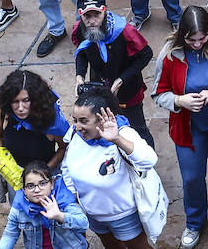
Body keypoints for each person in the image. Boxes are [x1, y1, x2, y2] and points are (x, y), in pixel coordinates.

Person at [153, 6, 208, 248]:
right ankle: (194, 221)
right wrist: (180, 101)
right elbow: (158, 94)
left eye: (203, 38)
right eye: (192, 39)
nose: (198, 44)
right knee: (191, 177)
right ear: (183, 35)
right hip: (188, 128)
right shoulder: (170, 54)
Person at [63, 86, 159, 249]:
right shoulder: (75, 135)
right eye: (75, 120)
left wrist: (117, 140)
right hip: (94, 214)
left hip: (124, 215)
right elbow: (66, 166)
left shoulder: (123, 134)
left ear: (101, 118)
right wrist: (73, 194)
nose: (78, 127)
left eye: (84, 121)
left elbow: (150, 160)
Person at [71, 0, 156, 146]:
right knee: (103, 125)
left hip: (127, 88)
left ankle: (147, 162)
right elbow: (82, 52)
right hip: (100, 88)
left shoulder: (124, 31)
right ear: (80, 15)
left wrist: (121, 80)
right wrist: (79, 75)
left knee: (137, 127)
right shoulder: (80, 29)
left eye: (97, 14)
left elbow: (146, 54)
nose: (92, 21)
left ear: (105, 11)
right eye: (87, 16)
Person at [0, 70, 72, 196]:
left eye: (26, 100)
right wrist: (4, 161)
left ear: (36, 99)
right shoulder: (5, 111)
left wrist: (44, 173)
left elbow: (64, 148)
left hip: (44, 179)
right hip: (15, 175)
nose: (20, 108)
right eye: (15, 101)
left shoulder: (51, 120)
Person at [0, 160, 91, 249]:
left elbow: (84, 224)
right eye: (30, 186)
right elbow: (10, 235)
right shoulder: (19, 208)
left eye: (42, 183)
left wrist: (60, 216)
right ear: (24, 190)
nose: (37, 190)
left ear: (52, 184)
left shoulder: (63, 200)